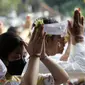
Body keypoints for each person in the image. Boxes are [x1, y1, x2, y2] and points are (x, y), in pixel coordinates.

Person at [0, 29, 69, 84]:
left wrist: (43, 57)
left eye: (24, 56)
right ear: (3, 56)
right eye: (17, 56)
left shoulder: (20, 78)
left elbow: (62, 78)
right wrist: (35, 56)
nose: (21, 60)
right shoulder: (3, 81)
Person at [32, 8, 85, 79]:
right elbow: (82, 69)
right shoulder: (42, 63)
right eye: (59, 37)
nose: (63, 41)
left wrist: (74, 38)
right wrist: (79, 37)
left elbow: (72, 65)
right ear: (47, 40)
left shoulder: (39, 60)